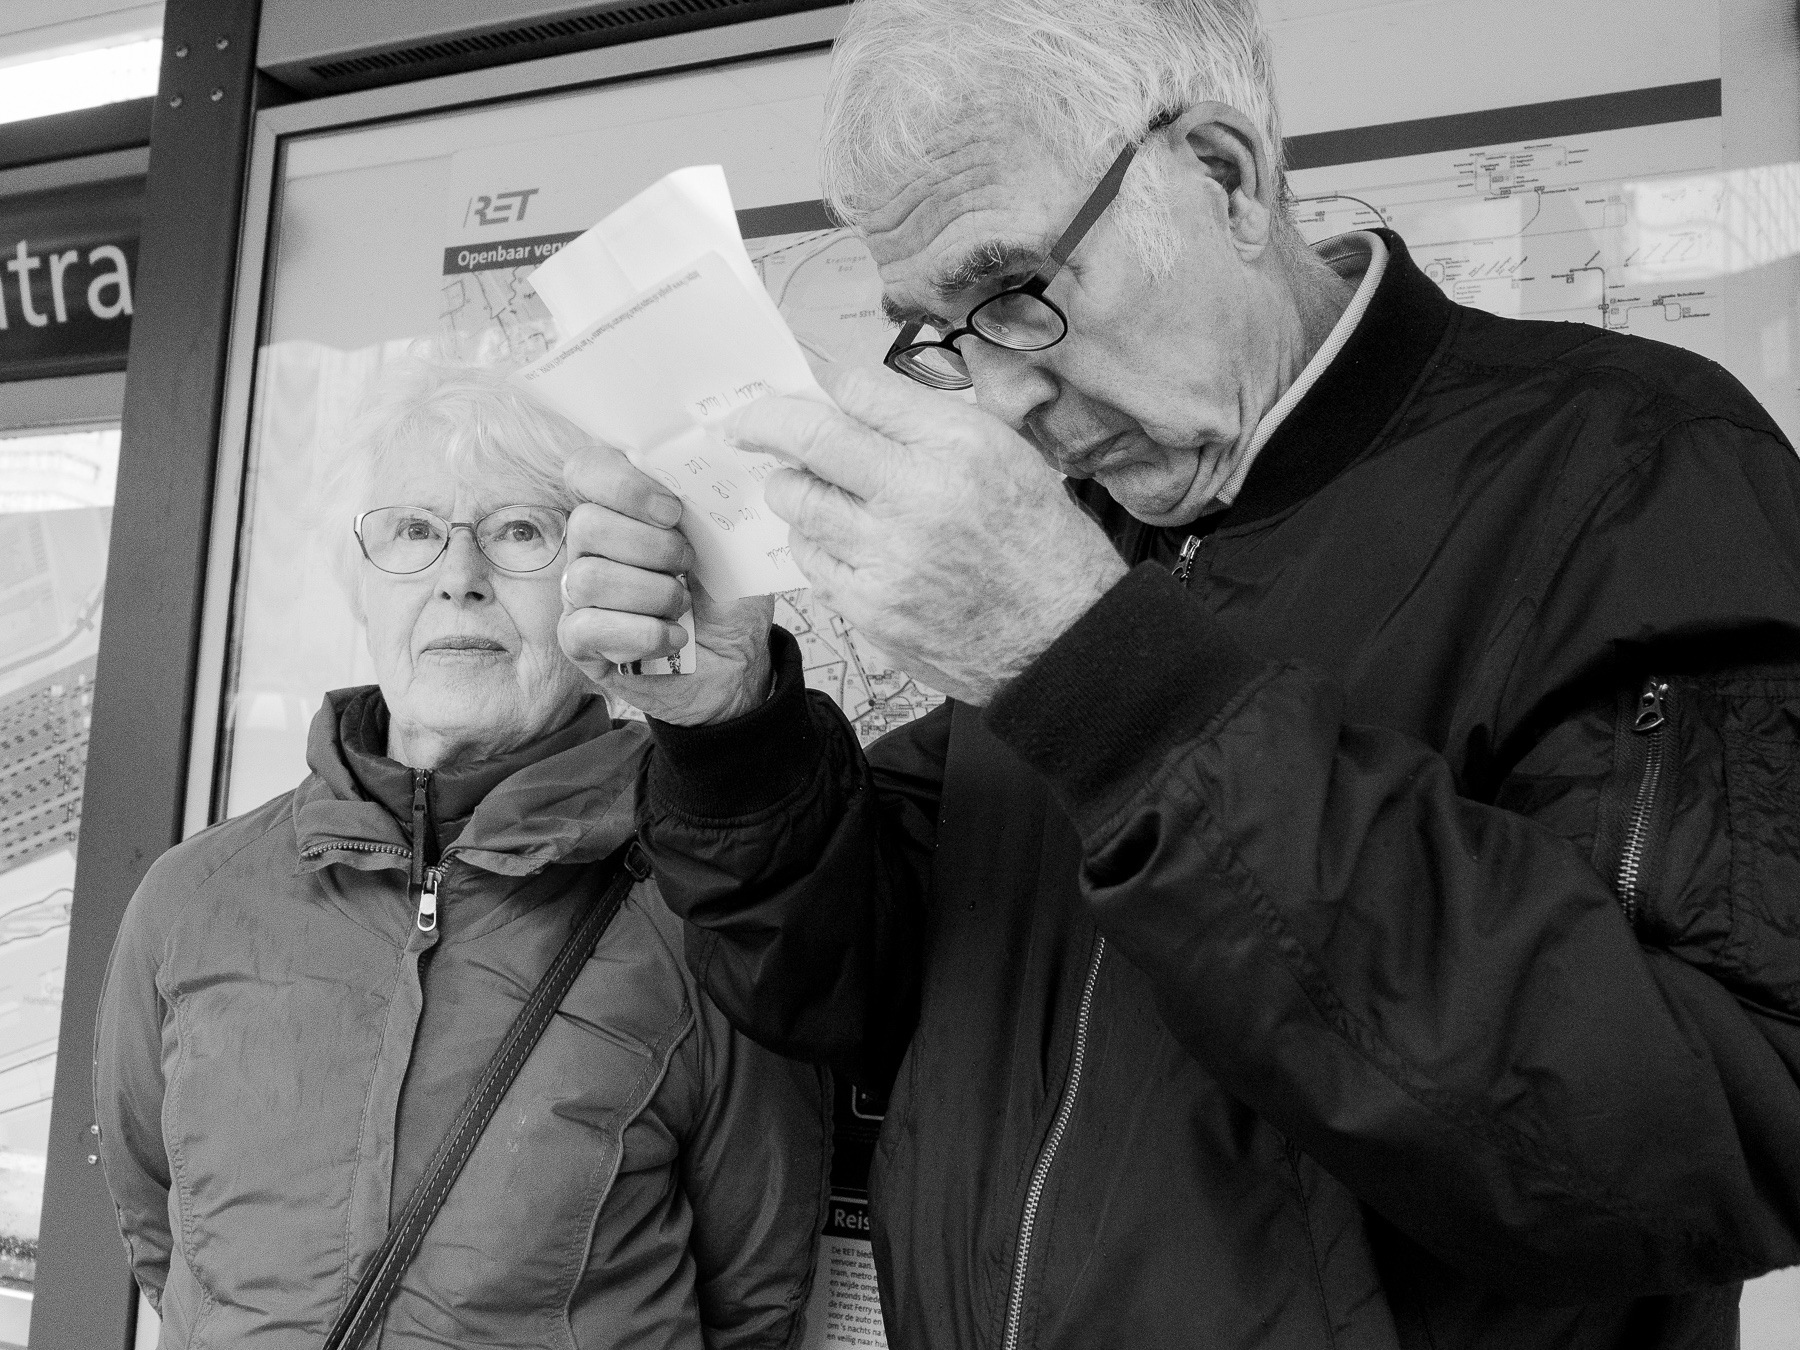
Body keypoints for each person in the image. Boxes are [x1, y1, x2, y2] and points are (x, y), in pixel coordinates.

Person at [554, 1, 1800, 1347]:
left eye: (1017, 293)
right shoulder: (1085, 532)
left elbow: (1707, 1135)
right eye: (935, 332)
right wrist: (735, 726)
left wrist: (1108, 675)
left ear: (1226, 176)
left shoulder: (1632, 467)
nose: (996, 399)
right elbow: (853, 984)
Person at [93, 347, 829, 1348]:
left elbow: (754, 1297)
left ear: (602, 585)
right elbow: (164, 1236)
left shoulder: (704, 906)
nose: (460, 579)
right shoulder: (193, 899)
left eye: (521, 532)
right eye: (413, 532)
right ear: (361, 585)